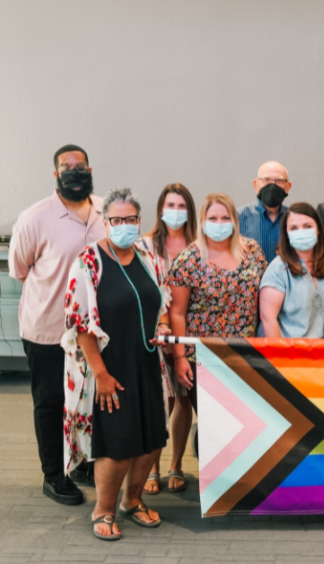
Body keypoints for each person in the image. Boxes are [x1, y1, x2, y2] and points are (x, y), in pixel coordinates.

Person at [62, 189, 171, 540]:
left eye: (130, 219)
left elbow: (161, 300)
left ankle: (132, 501)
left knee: (153, 439)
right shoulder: (88, 261)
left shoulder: (148, 256)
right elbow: (79, 324)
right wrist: (101, 374)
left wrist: (164, 324)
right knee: (118, 443)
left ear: (139, 221)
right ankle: (103, 510)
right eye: (116, 220)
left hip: (148, 363)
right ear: (105, 222)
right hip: (111, 368)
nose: (124, 226)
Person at [8, 144, 105, 505]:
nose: (75, 171)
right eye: (67, 167)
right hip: (47, 329)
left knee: (86, 402)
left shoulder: (103, 213)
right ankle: (53, 474)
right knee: (50, 402)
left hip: (93, 332)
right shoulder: (34, 218)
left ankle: (80, 462)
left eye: (80, 166)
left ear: (90, 169)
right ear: (56, 174)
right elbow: (19, 269)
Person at [167, 193, 267, 412]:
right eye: (213, 219)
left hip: (246, 355)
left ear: (234, 221)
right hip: (202, 358)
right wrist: (180, 357)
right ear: (202, 222)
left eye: (225, 218)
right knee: (214, 429)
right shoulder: (188, 259)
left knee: (247, 421)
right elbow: (177, 313)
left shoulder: (253, 252)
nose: (219, 224)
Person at [137, 184, 197, 495]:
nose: (175, 211)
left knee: (183, 397)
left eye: (181, 205)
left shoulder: (199, 245)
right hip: (153, 333)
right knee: (159, 401)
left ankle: (176, 465)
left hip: (185, 332)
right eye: (170, 204)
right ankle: (152, 468)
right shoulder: (144, 246)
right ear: (160, 209)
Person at [259, 203, 324, 338]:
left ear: (318, 229)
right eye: (294, 228)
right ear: (286, 233)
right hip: (291, 352)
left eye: (307, 226)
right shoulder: (278, 269)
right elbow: (268, 319)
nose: (301, 232)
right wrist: (279, 356)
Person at [237, 161, 291, 263]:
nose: (272, 185)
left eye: (279, 180)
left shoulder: (295, 218)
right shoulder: (238, 216)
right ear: (256, 185)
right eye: (266, 180)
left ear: (288, 187)